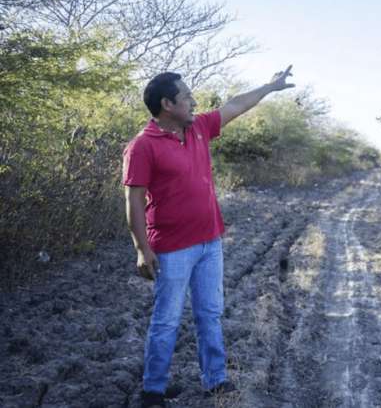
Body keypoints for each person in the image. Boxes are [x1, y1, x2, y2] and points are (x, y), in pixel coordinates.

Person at [122, 66, 294, 408]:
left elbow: (235, 105)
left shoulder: (199, 127)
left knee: (210, 313)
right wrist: (142, 249)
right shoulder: (142, 146)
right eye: (186, 96)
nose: (193, 100)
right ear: (167, 104)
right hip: (172, 248)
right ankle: (152, 390)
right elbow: (133, 201)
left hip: (210, 242)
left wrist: (270, 86)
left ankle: (215, 381)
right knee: (167, 319)